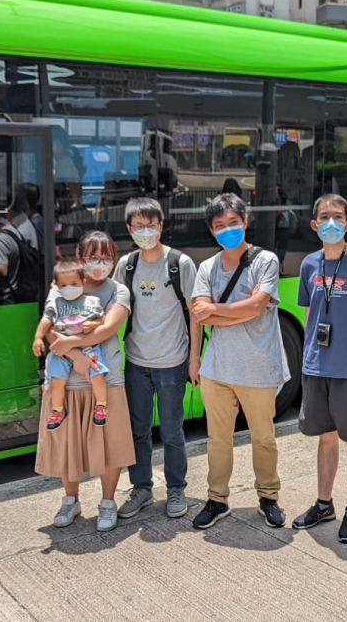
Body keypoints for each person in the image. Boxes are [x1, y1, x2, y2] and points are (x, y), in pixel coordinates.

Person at [189, 193, 290, 530]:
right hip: (217, 369)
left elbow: (257, 306)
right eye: (220, 225)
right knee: (218, 440)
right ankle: (217, 499)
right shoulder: (207, 267)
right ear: (211, 230)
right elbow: (200, 314)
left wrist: (218, 311)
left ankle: (268, 497)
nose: (227, 229)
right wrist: (239, 311)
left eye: (233, 222)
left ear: (245, 222)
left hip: (258, 368)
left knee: (263, 438)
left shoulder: (265, 260)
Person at [292, 194, 347, 544]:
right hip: (316, 369)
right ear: (314, 224)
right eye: (324, 216)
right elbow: (309, 314)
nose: (331, 222)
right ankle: (324, 504)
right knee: (325, 437)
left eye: (338, 216)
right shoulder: (309, 265)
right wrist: (308, 360)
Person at [35, 231, 134, 532]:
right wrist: (77, 357)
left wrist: (71, 346)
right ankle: (71, 500)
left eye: (106, 258)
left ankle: (108, 502)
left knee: (110, 443)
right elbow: (49, 327)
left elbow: (106, 330)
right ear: (80, 258)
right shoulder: (61, 287)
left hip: (106, 379)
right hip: (66, 383)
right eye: (93, 257)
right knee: (68, 443)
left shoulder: (118, 291)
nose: (100, 264)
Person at [113, 197, 200, 521]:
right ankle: (142, 488)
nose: (146, 231)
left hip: (172, 363)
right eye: (139, 226)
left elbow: (195, 314)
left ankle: (176, 488)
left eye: (151, 225)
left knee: (173, 432)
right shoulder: (127, 265)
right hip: (136, 361)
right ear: (129, 229)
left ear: (161, 226)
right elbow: (115, 309)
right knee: (138, 430)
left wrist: (194, 359)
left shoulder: (180, 263)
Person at [34, 257, 110, 430]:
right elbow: (46, 320)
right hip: (62, 350)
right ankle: (58, 410)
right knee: (56, 380)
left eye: (74, 284)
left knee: (97, 375)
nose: (69, 288)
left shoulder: (92, 301)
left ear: (83, 282)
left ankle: (101, 405)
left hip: (89, 348)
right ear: (56, 285)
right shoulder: (56, 303)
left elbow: (103, 320)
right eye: (64, 285)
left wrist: (94, 324)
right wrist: (38, 337)